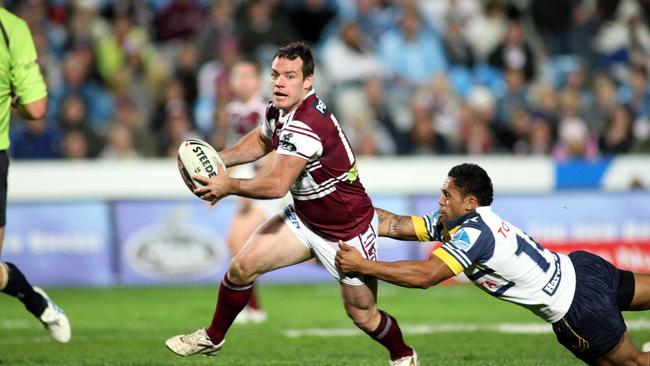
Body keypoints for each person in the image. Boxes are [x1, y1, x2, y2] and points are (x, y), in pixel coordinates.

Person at [165, 42, 418, 366]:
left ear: (308, 81)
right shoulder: (278, 110)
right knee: (242, 267)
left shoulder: (308, 124)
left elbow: (276, 185)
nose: (279, 82)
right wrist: (218, 160)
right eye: (275, 75)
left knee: (363, 315)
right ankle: (213, 337)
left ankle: (403, 355)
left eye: (290, 76)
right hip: (305, 219)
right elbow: (260, 141)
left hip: (346, 231)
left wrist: (227, 185)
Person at [335, 163, 650, 365]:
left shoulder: (473, 235)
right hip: (583, 269)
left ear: (469, 202)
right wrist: (341, 210)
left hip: (577, 308)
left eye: (446, 195)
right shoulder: (463, 222)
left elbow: (426, 275)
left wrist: (364, 266)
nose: (440, 201)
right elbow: (399, 224)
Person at [0, 6, 70, 343]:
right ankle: (35, 299)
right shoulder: (11, 29)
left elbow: (39, 109)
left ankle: (33, 298)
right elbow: (36, 107)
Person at [213, 57, 290, 324]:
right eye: (238, 76)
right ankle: (253, 308)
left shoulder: (267, 108)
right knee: (237, 244)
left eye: (248, 75)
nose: (243, 81)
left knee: (239, 243)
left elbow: (274, 150)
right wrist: (221, 186)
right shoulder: (233, 110)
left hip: (270, 182)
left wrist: (248, 190)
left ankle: (253, 308)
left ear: (258, 80)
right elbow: (235, 149)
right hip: (248, 182)